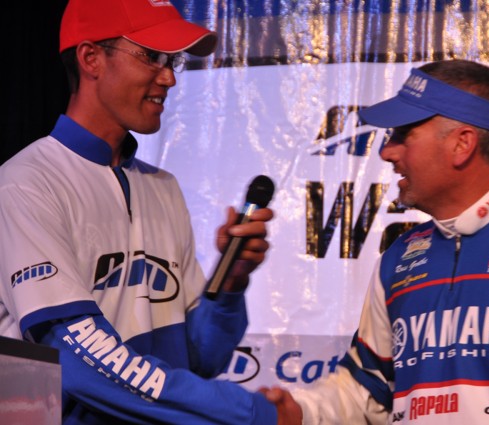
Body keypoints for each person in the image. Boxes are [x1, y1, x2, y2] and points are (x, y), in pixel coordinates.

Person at [261, 60, 489, 424]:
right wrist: (302, 413)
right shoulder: (400, 257)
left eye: (403, 134)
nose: (387, 152)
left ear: (462, 144)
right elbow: (369, 390)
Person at [0, 0, 280, 423]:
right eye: (151, 56)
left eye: (172, 61)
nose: (169, 77)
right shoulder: (26, 183)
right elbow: (76, 362)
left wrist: (229, 284)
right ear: (91, 58)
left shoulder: (162, 187)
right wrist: (248, 413)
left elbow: (199, 359)